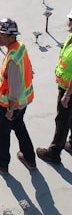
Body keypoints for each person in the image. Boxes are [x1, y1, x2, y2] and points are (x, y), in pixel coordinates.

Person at [0, 19, 36, 175]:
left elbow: (14, 88)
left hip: (11, 105)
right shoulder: (20, 47)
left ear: (11, 37)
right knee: (19, 126)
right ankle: (30, 158)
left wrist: (10, 109)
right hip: (23, 102)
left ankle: (2, 163)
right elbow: (28, 67)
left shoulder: (13, 59)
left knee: (3, 134)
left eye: (1, 35)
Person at [36, 9, 72, 164]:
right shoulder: (71, 37)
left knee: (62, 120)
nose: (68, 23)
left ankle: (54, 152)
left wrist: (67, 94)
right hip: (66, 87)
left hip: (68, 90)